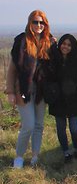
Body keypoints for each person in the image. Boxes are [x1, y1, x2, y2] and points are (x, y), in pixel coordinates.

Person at [5, 10, 54, 168]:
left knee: (39, 125)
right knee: (29, 125)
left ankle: (35, 156)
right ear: (29, 23)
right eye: (35, 22)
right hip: (23, 90)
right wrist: (11, 91)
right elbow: (12, 69)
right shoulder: (21, 41)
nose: (38, 25)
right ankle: (19, 156)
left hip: (41, 91)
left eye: (41, 22)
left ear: (45, 24)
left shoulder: (49, 42)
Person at [48, 34, 77, 163]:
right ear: (60, 44)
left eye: (69, 45)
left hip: (74, 99)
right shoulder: (54, 58)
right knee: (61, 129)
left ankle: (76, 148)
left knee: (74, 128)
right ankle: (66, 152)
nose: (66, 47)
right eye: (64, 44)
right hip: (58, 99)